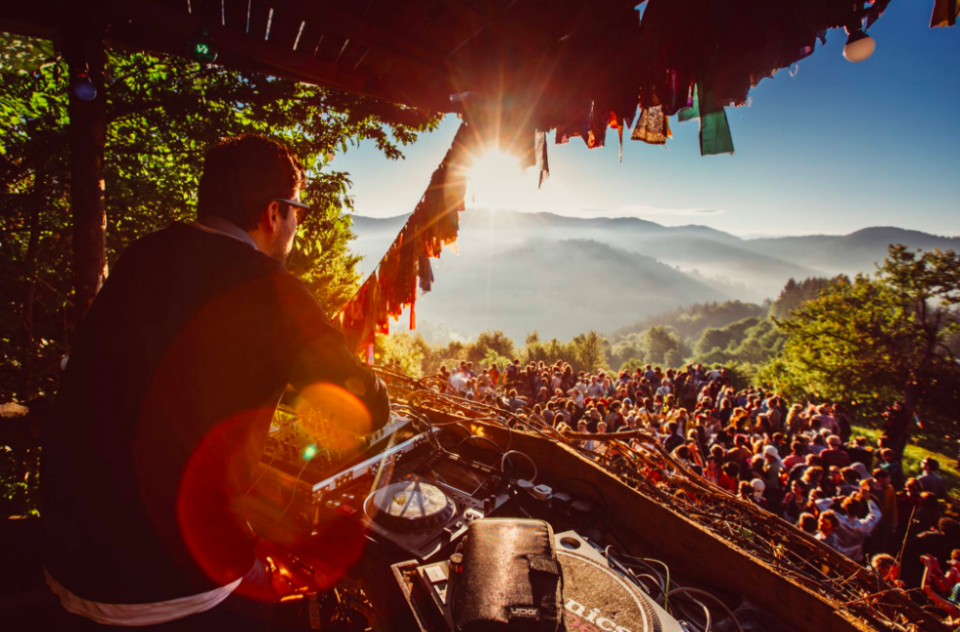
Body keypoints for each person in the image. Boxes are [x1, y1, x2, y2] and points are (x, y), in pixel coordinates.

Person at [42, 135, 390, 630]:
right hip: (164, 584)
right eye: (298, 211)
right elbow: (367, 403)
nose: (296, 226)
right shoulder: (271, 287)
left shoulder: (142, 255)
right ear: (274, 213)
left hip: (68, 555)